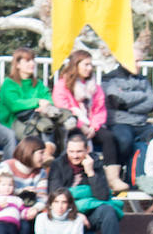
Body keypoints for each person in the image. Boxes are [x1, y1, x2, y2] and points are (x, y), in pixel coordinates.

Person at [52, 52, 128, 193]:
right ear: (76, 65)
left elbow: (100, 109)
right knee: (73, 138)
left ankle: (112, 178)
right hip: (72, 124)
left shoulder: (95, 86)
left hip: (92, 124)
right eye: (86, 64)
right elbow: (64, 108)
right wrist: (82, 126)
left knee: (109, 138)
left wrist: (94, 126)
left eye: (90, 65)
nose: (89, 68)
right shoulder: (62, 85)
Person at [46, 134, 121, 234]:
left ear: (87, 150)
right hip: (65, 213)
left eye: (79, 151)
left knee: (108, 210)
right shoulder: (58, 164)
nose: (75, 156)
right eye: (71, 151)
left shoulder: (96, 163)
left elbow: (103, 196)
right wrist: (75, 213)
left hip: (90, 214)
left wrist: (90, 172)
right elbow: (55, 196)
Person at [0, 47, 63, 145]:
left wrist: (45, 106)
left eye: (33, 60)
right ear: (17, 64)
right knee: (34, 136)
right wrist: (37, 102)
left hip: (39, 118)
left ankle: (49, 155)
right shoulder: (9, 83)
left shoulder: (38, 84)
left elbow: (48, 99)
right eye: (27, 61)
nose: (32, 64)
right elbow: (14, 105)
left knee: (52, 127)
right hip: (15, 121)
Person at [102, 62, 153, 168]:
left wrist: (127, 105)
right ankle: (119, 171)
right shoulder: (110, 78)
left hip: (141, 123)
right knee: (124, 141)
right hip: (120, 123)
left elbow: (151, 103)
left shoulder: (143, 79)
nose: (139, 65)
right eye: (136, 61)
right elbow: (117, 101)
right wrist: (141, 96)